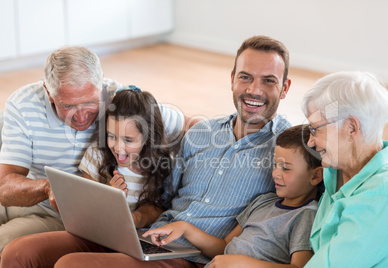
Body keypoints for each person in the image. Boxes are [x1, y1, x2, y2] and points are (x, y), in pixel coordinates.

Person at [1, 35, 292, 267]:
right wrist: (129, 217)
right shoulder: (203, 132)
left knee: (71, 264)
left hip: (189, 254)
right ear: (232, 79)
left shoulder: (289, 149)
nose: (254, 89)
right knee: (19, 252)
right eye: (245, 77)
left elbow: (310, 192)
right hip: (144, 235)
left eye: (269, 80)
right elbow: (163, 196)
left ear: (285, 87)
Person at [0, 46, 186, 253]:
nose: (80, 116)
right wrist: (49, 187)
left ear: (102, 84)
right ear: (49, 93)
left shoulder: (122, 100)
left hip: (60, 218)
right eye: (68, 106)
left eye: (90, 102)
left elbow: (189, 124)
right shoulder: (23, 105)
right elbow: (5, 188)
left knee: (6, 241)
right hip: (30, 195)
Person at [144, 124, 323, 268]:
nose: (276, 173)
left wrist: (244, 263)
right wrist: (185, 228)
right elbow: (223, 247)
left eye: (286, 168)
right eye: (275, 165)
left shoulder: (306, 215)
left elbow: (300, 267)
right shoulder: (264, 202)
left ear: (315, 176)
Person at [300, 71, 388, 267]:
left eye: (315, 129)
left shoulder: (382, 195)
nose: (311, 142)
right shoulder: (335, 169)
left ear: (351, 128)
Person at [80, 87, 172, 212]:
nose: (117, 148)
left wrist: (135, 219)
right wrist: (107, 195)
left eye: (128, 140)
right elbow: (83, 206)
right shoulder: (97, 154)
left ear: (147, 138)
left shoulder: (161, 163)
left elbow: (160, 208)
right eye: (111, 136)